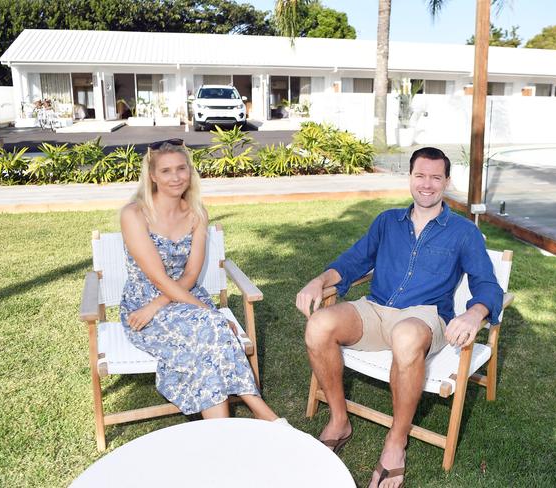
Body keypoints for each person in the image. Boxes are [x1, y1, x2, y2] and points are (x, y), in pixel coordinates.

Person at [296, 147, 503, 488]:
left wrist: (474, 313)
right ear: (410, 177)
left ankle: (396, 441)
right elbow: (352, 262)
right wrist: (319, 281)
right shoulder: (386, 222)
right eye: (420, 175)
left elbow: (487, 284)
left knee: (406, 335)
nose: (427, 184)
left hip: (424, 318)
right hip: (376, 309)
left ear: (447, 182)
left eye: (436, 177)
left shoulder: (463, 232)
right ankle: (338, 420)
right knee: (318, 324)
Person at [119, 138, 280, 423]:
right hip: (143, 308)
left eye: (181, 169)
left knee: (208, 338)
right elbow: (156, 277)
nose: (176, 177)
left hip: (183, 297)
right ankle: (262, 412)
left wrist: (191, 310)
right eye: (166, 171)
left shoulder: (196, 214)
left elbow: (191, 274)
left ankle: (222, 431)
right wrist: (208, 314)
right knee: (214, 329)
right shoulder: (134, 214)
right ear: (153, 176)